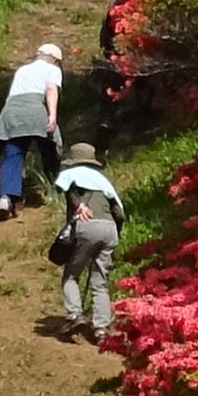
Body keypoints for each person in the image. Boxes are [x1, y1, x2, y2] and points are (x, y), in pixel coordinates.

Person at [48, 138, 126, 336]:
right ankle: (101, 328)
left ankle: (75, 315)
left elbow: (68, 192)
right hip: (109, 229)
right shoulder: (104, 181)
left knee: (71, 276)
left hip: (86, 226)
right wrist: (115, 233)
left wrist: (79, 207)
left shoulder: (71, 174)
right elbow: (119, 213)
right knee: (100, 282)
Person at [0, 40, 67, 217]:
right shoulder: (53, 70)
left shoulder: (22, 70)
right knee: (50, 147)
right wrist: (52, 115)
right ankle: (55, 187)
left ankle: (5, 197)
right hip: (35, 109)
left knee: (13, 153)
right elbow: (51, 89)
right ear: (55, 60)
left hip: (11, 111)